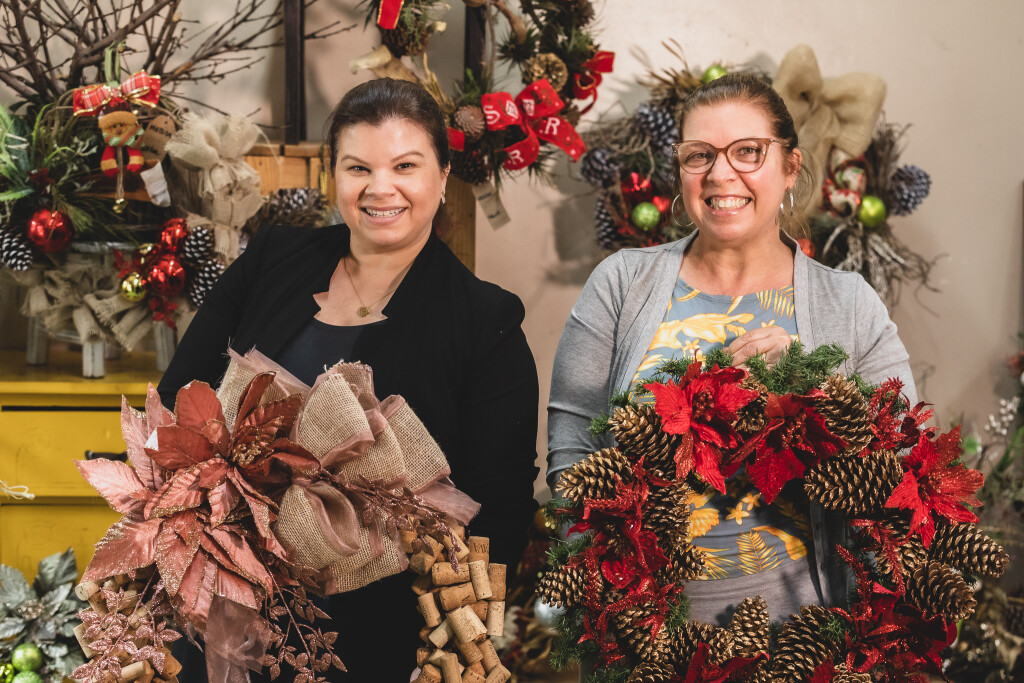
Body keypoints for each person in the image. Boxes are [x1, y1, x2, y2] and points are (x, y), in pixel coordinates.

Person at [159, 77, 540, 680]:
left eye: (405, 166)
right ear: (332, 177)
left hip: (379, 631)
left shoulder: (485, 319)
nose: (379, 188)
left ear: (443, 177)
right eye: (357, 167)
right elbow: (178, 399)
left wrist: (448, 648)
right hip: (227, 602)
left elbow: (500, 506)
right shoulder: (273, 258)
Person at [547, 73, 916, 626]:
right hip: (644, 639)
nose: (721, 174)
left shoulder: (851, 304)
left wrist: (812, 389)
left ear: (791, 166)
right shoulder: (622, 284)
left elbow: (906, 467)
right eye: (699, 155)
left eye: (748, 151)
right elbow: (572, 460)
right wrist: (613, 600)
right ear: (680, 170)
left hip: (802, 638)